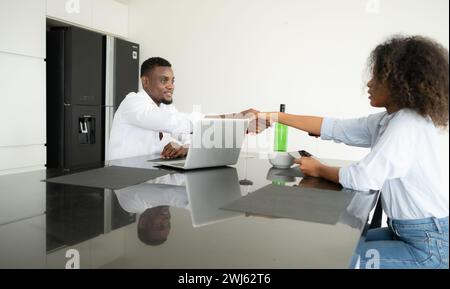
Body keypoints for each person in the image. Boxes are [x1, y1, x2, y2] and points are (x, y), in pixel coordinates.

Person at [249, 35, 449, 269]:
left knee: (339, 260)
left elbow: (363, 178)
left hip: (428, 245)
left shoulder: (406, 124)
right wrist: (272, 116)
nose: (369, 83)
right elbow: (335, 127)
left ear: (398, 81)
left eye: (377, 77)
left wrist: (319, 169)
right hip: (412, 233)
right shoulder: (390, 120)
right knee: (336, 247)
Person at [108, 57, 202, 161]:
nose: (171, 86)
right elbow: (170, 123)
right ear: (145, 81)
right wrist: (208, 120)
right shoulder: (132, 102)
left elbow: (186, 135)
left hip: (152, 169)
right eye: (164, 80)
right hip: (125, 173)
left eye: (172, 81)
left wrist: (185, 147)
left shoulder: (166, 107)